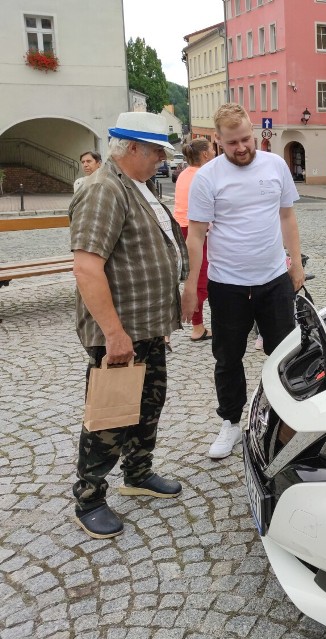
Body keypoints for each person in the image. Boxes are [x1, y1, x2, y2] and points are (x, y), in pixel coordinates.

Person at [69, 112, 188, 539]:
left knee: (147, 406)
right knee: (109, 416)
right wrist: (114, 334)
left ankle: (138, 473)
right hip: (119, 333)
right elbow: (86, 268)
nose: (161, 159)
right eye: (157, 151)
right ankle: (90, 498)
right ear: (132, 148)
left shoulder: (134, 184)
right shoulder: (103, 189)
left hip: (147, 327)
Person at [183, 103, 304, 460]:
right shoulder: (208, 177)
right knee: (228, 357)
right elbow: (196, 235)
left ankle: (284, 418)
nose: (242, 148)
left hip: (273, 279)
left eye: (246, 139)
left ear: (254, 133)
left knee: (283, 353)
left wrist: (295, 264)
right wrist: (192, 284)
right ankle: (231, 422)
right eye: (232, 142)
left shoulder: (275, 165)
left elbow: (288, 217)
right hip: (228, 284)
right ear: (217, 141)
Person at [173, 139, 214, 342]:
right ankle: (196, 327)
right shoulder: (202, 175)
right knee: (201, 280)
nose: (215, 152)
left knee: (196, 276)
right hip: (195, 229)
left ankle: (196, 325)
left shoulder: (184, 174)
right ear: (205, 154)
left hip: (183, 227)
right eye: (212, 149)